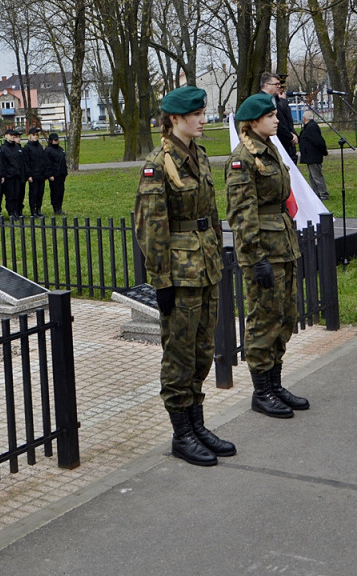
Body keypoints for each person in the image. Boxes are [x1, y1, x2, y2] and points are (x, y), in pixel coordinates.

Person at [135, 86, 233, 467]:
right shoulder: (158, 164)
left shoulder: (199, 156)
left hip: (205, 267)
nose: (202, 119)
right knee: (179, 355)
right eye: (196, 114)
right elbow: (150, 227)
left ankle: (197, 425)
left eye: (203, 112)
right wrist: (160, 281)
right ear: (175, 118)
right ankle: (182, 434)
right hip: (179, 274)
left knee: (202, 351)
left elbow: (208, 215)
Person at [225, 92, 309, 419]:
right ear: (255, 121)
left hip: (282, 244)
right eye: (271, 115)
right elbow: (241, 213)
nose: (277, 119)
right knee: (263, 319)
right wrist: (255, 257)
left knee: (285, 315)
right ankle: (261, 392)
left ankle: (275, 383)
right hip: (264, 249)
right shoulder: (242, 159)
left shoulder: (270, 147)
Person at [260, 72, 298, 162]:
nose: (279, 86)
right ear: (267, 85)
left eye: (279, 84)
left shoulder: (276, 100)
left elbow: (288, 122)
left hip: (286, 145)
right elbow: (277, 123)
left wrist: (293, 134)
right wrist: (290, 136)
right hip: (275, 144)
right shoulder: (263, 101)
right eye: (276, 84)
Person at [297, 110, 329, 200]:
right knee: (312, 176)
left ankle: (323, 193)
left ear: (304, 118)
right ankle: (316, 192)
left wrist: (324, 150)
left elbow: (318, 141)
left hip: (313, 155)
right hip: (310, 155)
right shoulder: (309, 126)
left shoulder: (311, 127)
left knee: (316, 176)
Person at [1, 129, 26, 218]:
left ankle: (16, 211)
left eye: (13, 135)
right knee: (10, 195)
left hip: (17, 175)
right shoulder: (3, 148)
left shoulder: (17, 147)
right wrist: (5, 174)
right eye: (11, 135)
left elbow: (20, 162)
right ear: (6, 136)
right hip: (9, 176)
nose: (13, 136)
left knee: (17, 194)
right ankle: (11, 212)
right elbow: (3, 163)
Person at [24, 127, 47, 217]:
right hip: (33, 175)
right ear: (30, 136)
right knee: (33, 193)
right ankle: (33, 211)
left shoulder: (39, 146)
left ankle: (38, 209)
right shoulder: (27, 148)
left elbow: (43, 160)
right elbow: (26, 162)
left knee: (40, 193)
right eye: (34, 135)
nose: (36, 137)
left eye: (37, 135)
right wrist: (29, 175)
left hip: (41, 174)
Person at [45, 133, 68, 215]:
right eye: (55, 140)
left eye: (57, 139)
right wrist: (50, 174)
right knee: (55, 191)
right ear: (51, 141)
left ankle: (60, 207)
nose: (57, 141)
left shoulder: (60, 149)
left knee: (61, 191)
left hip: (61, 174)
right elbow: (47, 164)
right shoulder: (48, 150)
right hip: (54, 175)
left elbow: (63, 161)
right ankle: (56, 208)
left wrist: (65, 173)